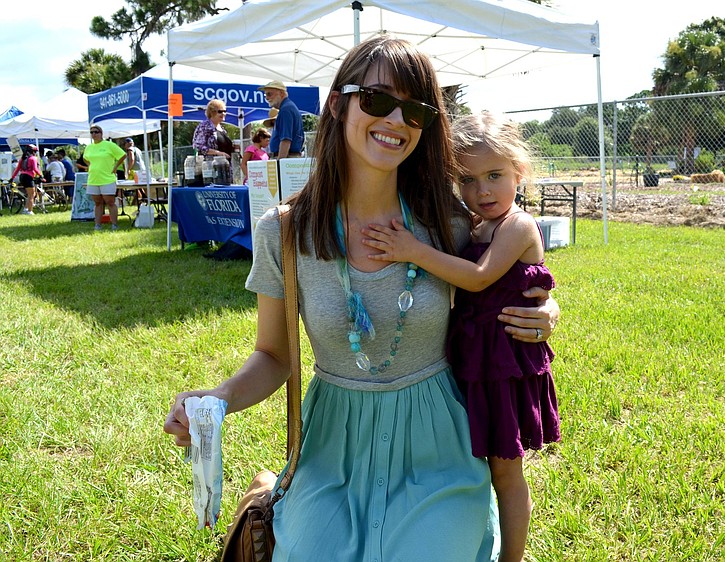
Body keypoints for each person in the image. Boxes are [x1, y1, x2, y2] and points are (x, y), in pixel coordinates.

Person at [164, 37, 560, 561]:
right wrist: (214, 400)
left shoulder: (450, 220)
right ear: (337, 103)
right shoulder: (283, 232)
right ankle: (276, 489)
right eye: (376, 100)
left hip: (436, 446)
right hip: (332, 448)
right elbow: (274, 356)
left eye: (415, 109)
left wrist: (546, 308)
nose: (396, 120)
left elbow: (511, 270)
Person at [363, 111, 560, 562]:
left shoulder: (517, 225)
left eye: (495, 176)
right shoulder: (472, 225)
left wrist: (412, 250)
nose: (482, 191)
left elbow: (477, 278)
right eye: (468, 180)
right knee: (474, 463)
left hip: (506, 366)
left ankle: (512, 557)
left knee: (506, 472)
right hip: (473, 361)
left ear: (520, 173)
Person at [84, 124, 126, 231]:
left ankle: (114, 224)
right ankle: (97, 225)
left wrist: (116, 167)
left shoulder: (109, 145)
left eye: (96, 132)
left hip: (107, 178)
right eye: (91, 132)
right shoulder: (89, 147)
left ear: (101, 133)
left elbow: (123, 155)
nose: (93, 134)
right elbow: (85, 158)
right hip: (93, 179)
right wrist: (90, 166)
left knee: (110, 202)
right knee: (97, 203)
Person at [259, 80, 305, 158]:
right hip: (289, 157)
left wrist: (280, 162)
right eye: (265, 95)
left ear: (281, 93)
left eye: (269, 94)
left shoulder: (286, 109)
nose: (266, 98)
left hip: (287, 157)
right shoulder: (288, 107)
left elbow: (286, 140)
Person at [9, 144, 42, 215]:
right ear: (33, 151)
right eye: (35, 151)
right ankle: (30, 211)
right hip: (28, 177)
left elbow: (17, 169)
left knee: (29, 194)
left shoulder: (22, 158)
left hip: (22, 176)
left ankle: (25, 209)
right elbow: (35, 169)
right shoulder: (33, 158)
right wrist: (41, 175)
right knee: (32, 195)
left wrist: (12, 178)